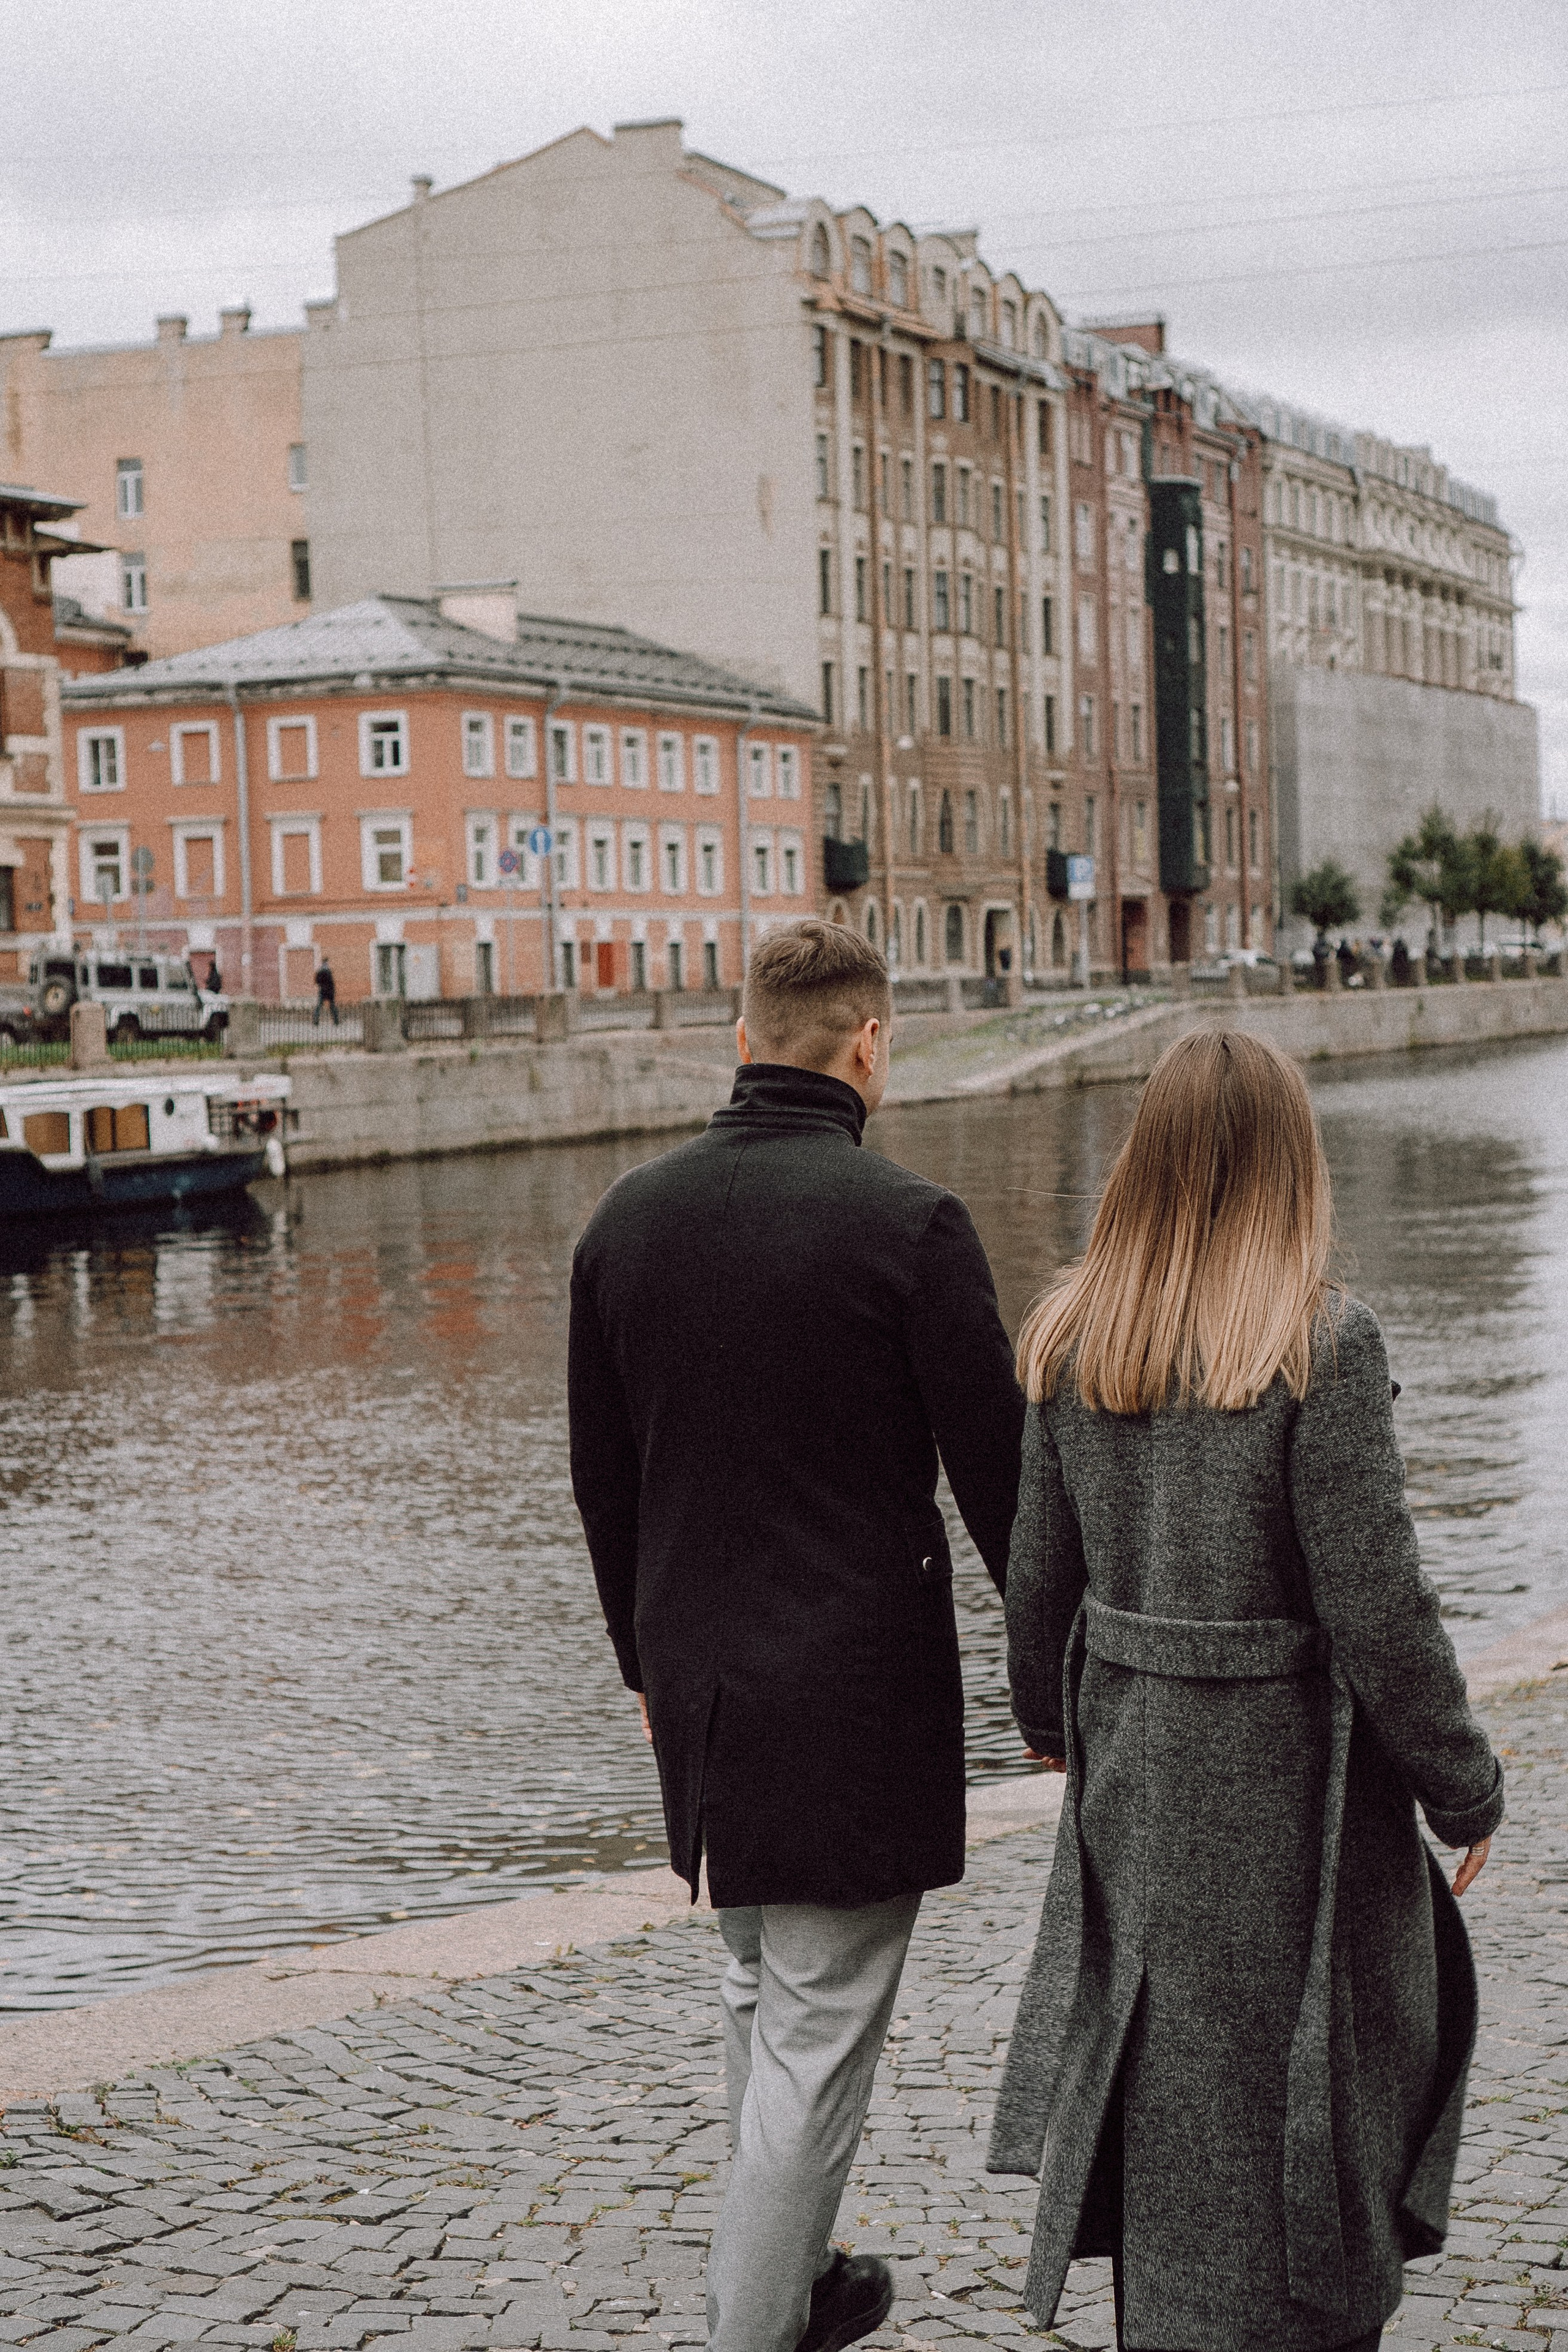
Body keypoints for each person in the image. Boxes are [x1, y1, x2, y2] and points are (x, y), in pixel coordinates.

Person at [987, 1027, 1504, 2352]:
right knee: (1307, 2074)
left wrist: (1055, 1728)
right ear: (1290, 1163)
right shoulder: (1318, 1342)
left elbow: (1035, 1581)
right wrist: (1461, 1787)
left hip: (1141, 1785)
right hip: (1292, 1805)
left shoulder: (1066, 1334)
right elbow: (1377, 1602)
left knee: (1161, 2072)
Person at [570, 919, 1023, 2352]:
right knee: (816, 2030)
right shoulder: (909, 1225)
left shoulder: (624, 1221)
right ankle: (756, 2322)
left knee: (762, 1990)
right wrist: (1060, 1676)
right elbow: (1004, 1488)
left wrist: (643, 1670)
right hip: (848, 1711)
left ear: (745, 1036)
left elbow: (603, 1481)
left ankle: (803, 2274)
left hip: (699, 1701)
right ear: (868, 1044)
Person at [313, 954, 338, 1027]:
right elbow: (331, 982)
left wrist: (322, 985)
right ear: (327, 962)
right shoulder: (328, 971)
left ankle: (316, 1020)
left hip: (322, 990)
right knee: (332, 1006)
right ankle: (336, 1021)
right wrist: (333, 991)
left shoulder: (320, 971)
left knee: (319, 1006)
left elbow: (317, 981)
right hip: (329, 991)